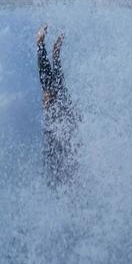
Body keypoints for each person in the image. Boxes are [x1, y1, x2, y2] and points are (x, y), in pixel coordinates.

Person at [36, 24, 77, 185]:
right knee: (54, 86)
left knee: (53, 86)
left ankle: (47, 48)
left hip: (59, 121)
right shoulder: (56, 98)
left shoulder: (56, 98)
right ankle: (46, 48)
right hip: (58, 121)